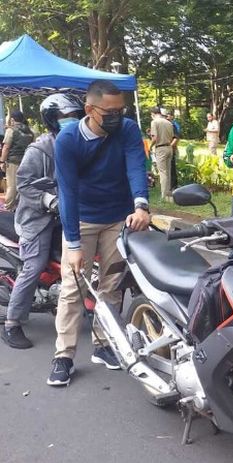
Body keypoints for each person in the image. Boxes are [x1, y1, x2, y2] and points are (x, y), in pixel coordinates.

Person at [48, 79, 150, 386]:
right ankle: (63, 355)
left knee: (112, 285)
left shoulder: (128, 129)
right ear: (90, 109)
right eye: (110, 110)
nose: (117, 115)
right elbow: (67, 193)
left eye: (121, 109)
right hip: (83, 219)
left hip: (118, 218)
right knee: (73, 287)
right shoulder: (68, 140)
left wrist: (141, 205)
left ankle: (104, 345)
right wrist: (74, 243)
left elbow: (135, 165)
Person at [0, 94, 84, 349]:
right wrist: (49, 200)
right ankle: (12, 323)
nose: (71, 122)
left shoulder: (81, 144)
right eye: (65, 118)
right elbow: (24, 184)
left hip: (70, 215)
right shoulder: (40, 149)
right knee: (33, 265)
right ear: (52, 121)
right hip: (37, 218)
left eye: (75, 117)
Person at [1, 110, 35, 211]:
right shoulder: (30, 131)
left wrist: (2, 161)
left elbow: (6, 147)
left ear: (12, 119)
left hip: (13, 162)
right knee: (24, 184)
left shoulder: (11, 130)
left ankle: (9, 207)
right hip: (26, 162)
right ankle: (21, 206)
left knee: (12, 185)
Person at [150, 107, 175, 201]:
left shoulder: (154, 122)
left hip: (160, 148)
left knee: (162, 172)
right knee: (168, 171)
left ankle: (164, 195)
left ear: (153, 114)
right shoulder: (169, 122)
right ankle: (168, 194)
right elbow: (172, 137)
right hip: (169, 147)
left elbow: (155, 138)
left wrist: (150, 146)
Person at [163, 109, 180, 190]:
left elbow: (176, 137)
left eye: (168, 115)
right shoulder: (162, 125)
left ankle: (173, 185)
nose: (167, 117)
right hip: (164, 148)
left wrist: (171, 146)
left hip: (171, 148)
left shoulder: (173, 125)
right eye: (166, 116)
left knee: (172, 167)